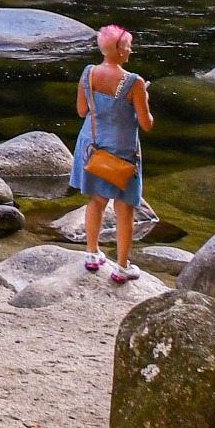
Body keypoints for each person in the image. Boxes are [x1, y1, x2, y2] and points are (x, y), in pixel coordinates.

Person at [71, 24, 156, 281]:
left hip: (92, 147)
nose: (130, 50)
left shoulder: (88, 74)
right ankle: (121, 267)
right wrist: (145, 100)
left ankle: (92, 254)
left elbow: (82, 111)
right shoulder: (135, 82)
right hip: (122, 151)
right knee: (125, 208)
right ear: (119, 50)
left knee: (96, 201)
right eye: (128, 45)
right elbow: (147, 124)